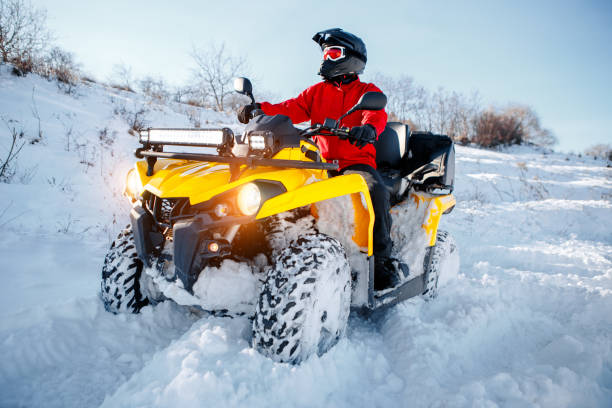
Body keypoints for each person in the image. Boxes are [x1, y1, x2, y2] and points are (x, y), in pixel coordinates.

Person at [237, 28, 408, 290]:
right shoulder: (316, 92)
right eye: (326, 53)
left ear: (352, 59)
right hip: (318, 163)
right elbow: (289, 109)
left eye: (334, 52)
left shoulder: (367, 91)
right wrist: (259, 109)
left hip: (354, 164)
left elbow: (375, 115)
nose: (327, 58)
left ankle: (383, 261)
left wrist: (369, 129)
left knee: (375, 191)